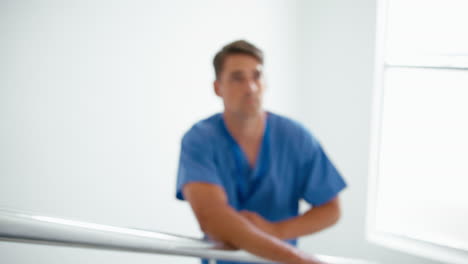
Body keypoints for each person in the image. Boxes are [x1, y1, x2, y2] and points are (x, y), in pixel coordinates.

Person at [175, 40, 347, 264]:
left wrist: (276, 230)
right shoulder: (200, 140)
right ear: (218, 88)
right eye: (238, 78)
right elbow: (213, 217)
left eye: (256, 76)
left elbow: (330, 208)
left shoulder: (295, 137)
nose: (251, 87)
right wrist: (301, 261)